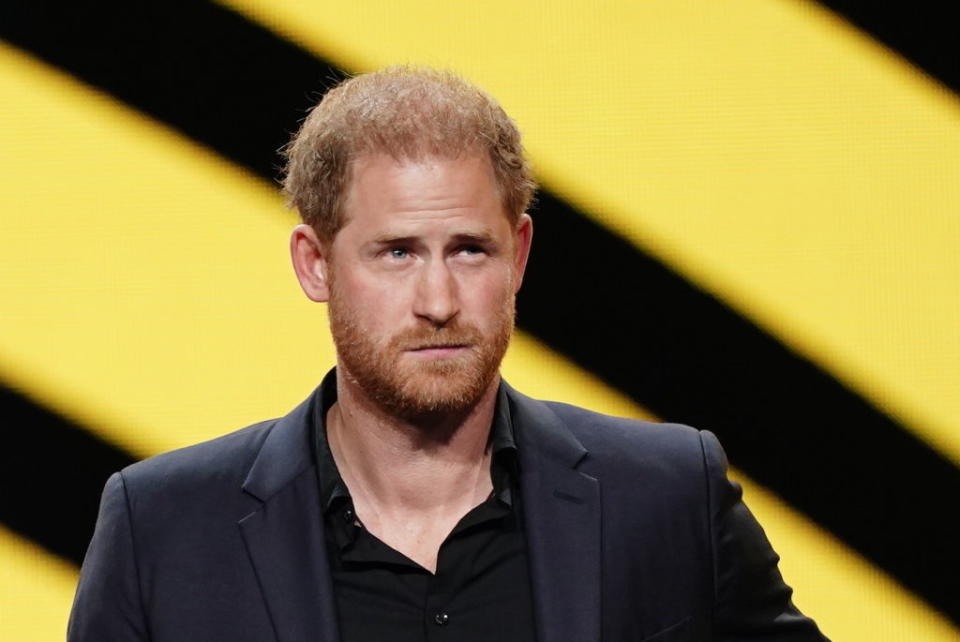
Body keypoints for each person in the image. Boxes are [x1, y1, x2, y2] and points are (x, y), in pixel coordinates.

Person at [68, 67, 828, 642]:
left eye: (469, 249)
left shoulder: (665, 500)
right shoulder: (163, 530)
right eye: (396, 254)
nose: (438, 300)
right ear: (315, 263)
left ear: (520, 255)